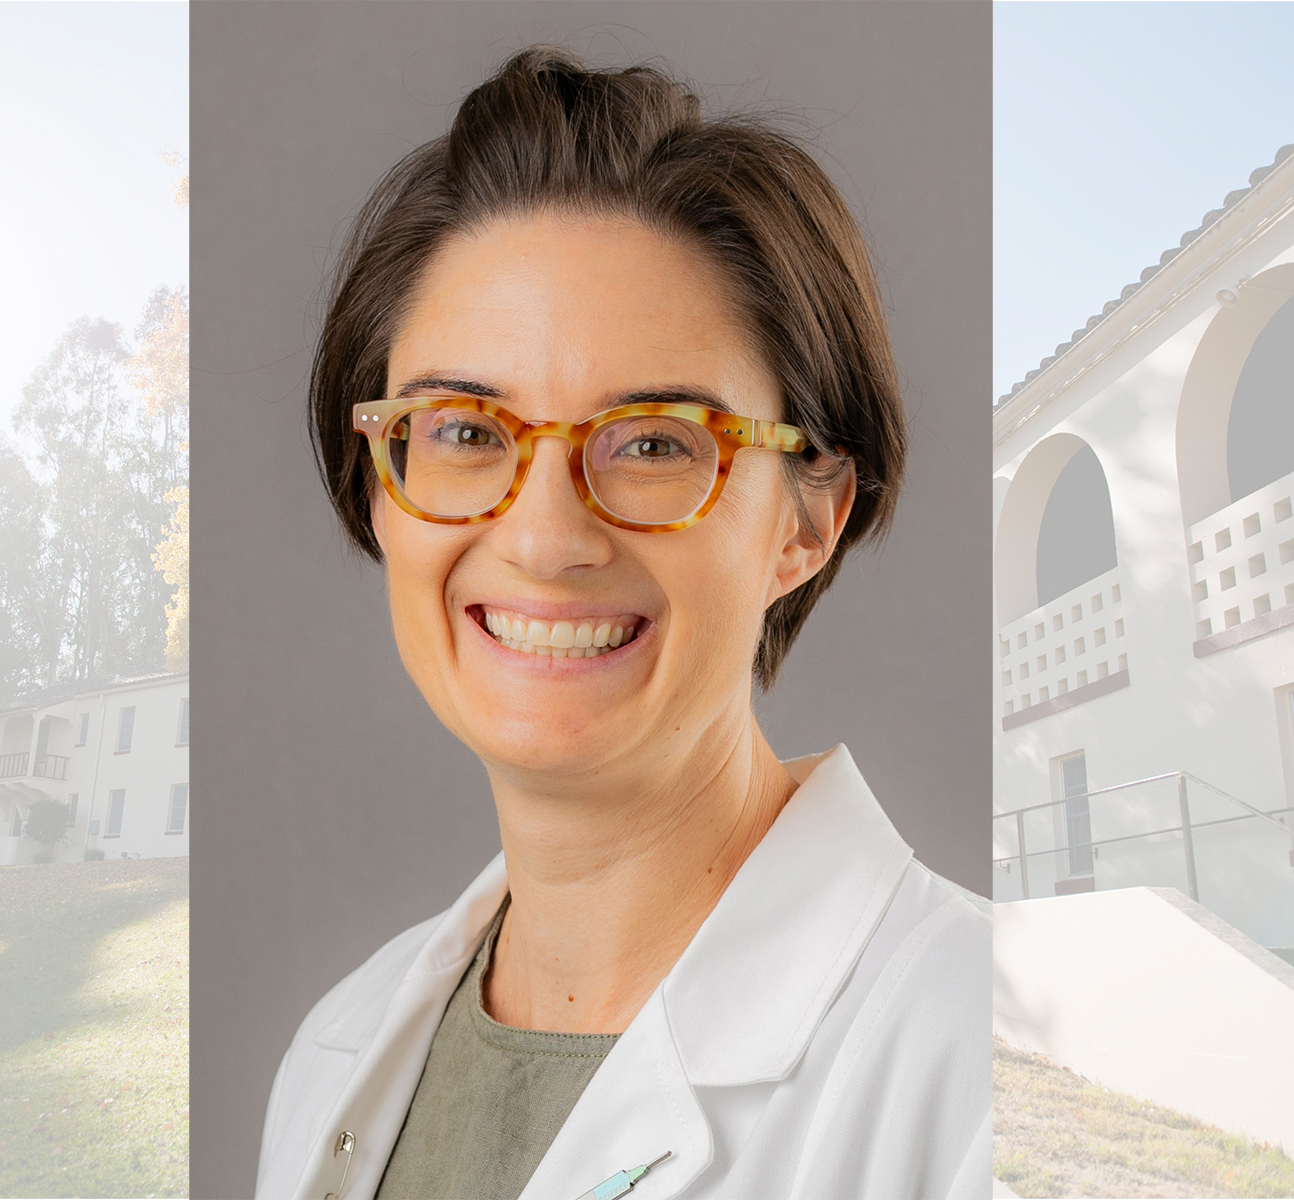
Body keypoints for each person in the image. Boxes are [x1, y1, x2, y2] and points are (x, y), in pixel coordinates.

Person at [257, 47, 989, 1200]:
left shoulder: (986, 1071)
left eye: (653, 443)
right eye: (461, 429)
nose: (545, 537)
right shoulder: (334, 1053)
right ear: (381, 488)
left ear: (809, 521)